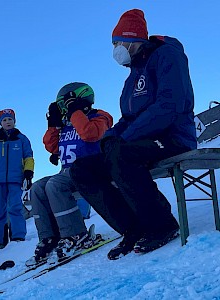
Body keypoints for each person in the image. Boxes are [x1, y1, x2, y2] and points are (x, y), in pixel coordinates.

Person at [70, 9, 196, 260]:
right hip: (141, 142)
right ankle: (133, 227)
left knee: (122, 154)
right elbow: (128, 118)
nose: (116, 48)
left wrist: (124, 139)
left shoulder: (166, 56)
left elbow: (168, 106)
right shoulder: (133, 75)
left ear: (132, 39)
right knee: (82, 170)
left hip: (173, 138)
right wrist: (110, 137)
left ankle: (161, 225)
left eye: (118, 42)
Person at [28, 82, 113, 265]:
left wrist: (76, 112)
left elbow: (90, 134)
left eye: (67, 104)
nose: (66, 109)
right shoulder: (67, 125)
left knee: (55, 185)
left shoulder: (99, 117)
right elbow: (51, 146)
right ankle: (49, 237)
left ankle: (76, 234)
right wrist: (54, 124)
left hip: (91, 169)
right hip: (68, 172)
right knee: (37, 188)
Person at [0, 109, 35, 250]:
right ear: (0, 123)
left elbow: (28, 156)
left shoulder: (21, 139)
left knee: (15, 207)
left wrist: (28, 173)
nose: (8, 122)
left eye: (10, 119)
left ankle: (18, 236)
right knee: (0, 209)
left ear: (14, 121)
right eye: (5, 120)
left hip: (15, 179)